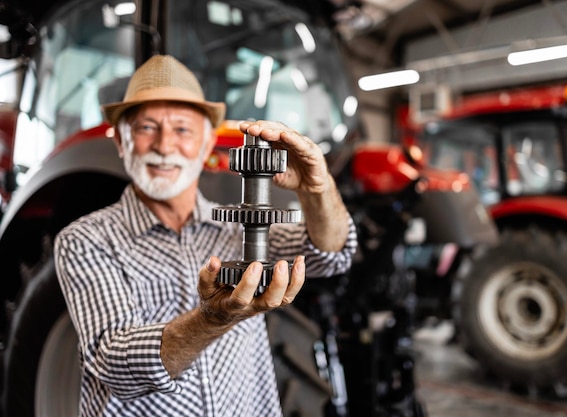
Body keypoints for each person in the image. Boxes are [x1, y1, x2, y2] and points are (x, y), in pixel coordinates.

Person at [54, 54, 356, 417]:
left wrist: (316, 189)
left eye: (182, 129)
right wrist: (210, 320)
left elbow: (331, 254)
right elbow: (115, 365)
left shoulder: (238, 233)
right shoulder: (84, 240)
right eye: (147, 127)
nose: (165, 146)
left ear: (205, 143)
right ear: (121, 140)